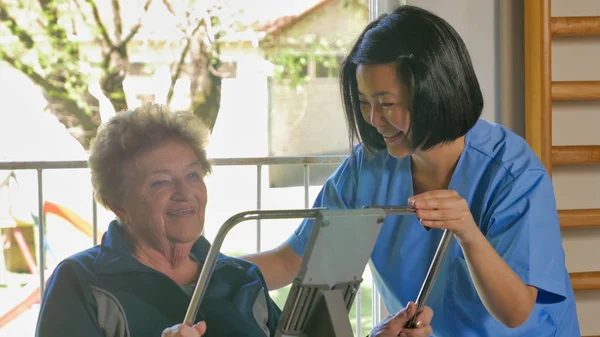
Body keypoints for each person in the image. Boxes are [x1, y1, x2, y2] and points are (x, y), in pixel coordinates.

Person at [243, 5, 580, 337]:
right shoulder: (367, 168)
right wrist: (201, 272)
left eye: (386, 104)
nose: (373, 120)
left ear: (434, 93)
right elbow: (292, 259)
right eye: (363, 102)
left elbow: (515, 313)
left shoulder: (512, 174)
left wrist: (468, 233)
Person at [35, 104, 281, 337]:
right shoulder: (81, 281)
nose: (185, 194)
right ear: (117, 204)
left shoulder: (241, 277)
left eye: (193, 175)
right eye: (160, 182)